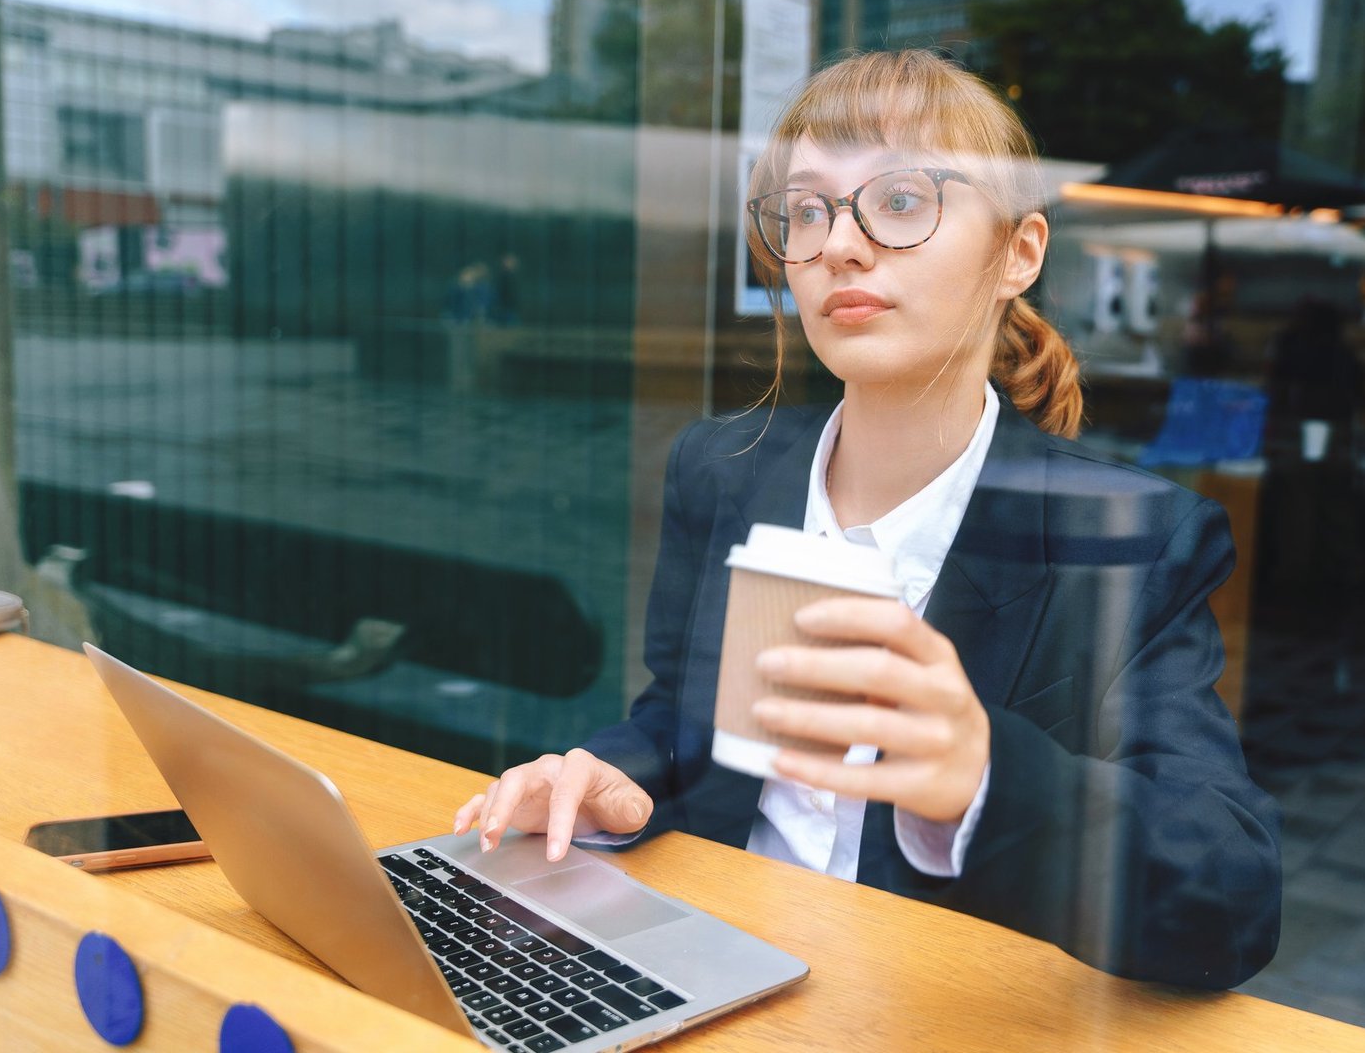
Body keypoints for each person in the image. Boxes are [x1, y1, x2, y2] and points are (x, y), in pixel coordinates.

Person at [454, 49, 1281, 989]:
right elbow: (680, 717)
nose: (840, 244)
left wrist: (981, 779)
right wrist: (614, 778)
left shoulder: (1133, 541)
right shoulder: (724, 471)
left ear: (1019, 253)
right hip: (707, 971)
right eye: (808, 211)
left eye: (899, 200)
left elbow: (1232, 901)